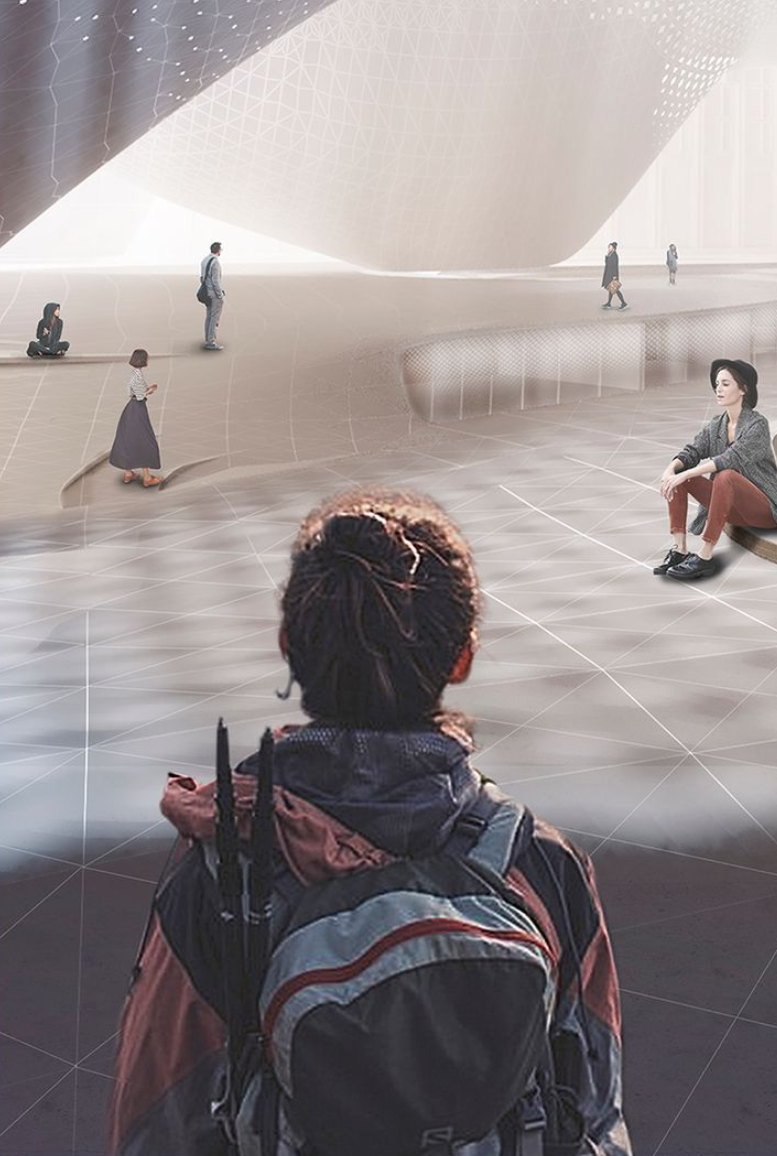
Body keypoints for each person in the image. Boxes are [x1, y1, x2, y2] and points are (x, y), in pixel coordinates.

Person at [107, 488, 630, 1156]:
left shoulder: (226, 868)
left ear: (288, 647)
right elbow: (593, 1111)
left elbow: (155, 1121)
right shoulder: (543, 865)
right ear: (463, 656)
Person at [654, 358, 777, 580]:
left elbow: (730, 458)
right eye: (717, 384)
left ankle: (704, 557)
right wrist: (670, 471)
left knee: (725, 476)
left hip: (764, 509)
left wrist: (686, 473)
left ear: (743, 389)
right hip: (731, 507)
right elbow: (692, 451)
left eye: (725, 384)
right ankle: (680, 550)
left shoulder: (757, 425)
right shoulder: (717, 425)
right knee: (679, 477)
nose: (718, 389)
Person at [110, 348, 163, 487]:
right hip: (138, 409)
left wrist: (145, 389)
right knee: (144, 439)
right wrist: (151, 390)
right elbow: (140, 396)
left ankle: (128, 473)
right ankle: (147, 477)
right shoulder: (138, 376)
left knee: (128, 438)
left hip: (130, 408)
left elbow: (130, 391)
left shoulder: (133, 373)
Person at [199, 240, 225, 350]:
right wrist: (220, 295)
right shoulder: (215, 263)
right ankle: (211, 342)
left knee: (209, 317)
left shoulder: (204, 260)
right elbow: (216, 281)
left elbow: (202, 277)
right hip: (213, 294)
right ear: (218, 251)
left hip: (207, 294)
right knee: (214, 318)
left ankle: (208, 339)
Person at [600, 241, 628, 311]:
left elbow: (615, 266)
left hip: (612, 275)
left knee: (616, 290)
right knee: (611, 289)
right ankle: (609, 303)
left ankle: (623, 303)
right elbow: (607, 263)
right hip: (609, 274)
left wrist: (615, 276)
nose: (608, 248)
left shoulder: (614, 255)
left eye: (610, 247)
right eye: (608, 247)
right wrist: (607, 255)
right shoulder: (610, 254)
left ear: (613, 248)